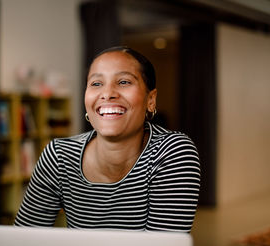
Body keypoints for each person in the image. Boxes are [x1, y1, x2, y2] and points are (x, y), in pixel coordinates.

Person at [14, 46, 200, 232]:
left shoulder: (172, 152)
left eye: (124, 81)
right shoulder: (59, 156)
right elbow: (23, 240)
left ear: (151, 100)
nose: (107, 93)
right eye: (96, 84)